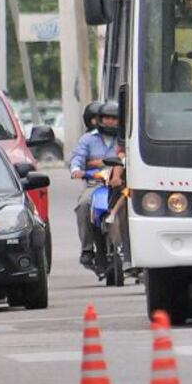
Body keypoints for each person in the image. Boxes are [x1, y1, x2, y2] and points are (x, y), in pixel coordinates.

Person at [70, 101, 121, 267]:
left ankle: (131, 250)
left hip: (120, 185)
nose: (110, 121)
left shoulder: (124, 139)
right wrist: (76, 169)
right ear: (99, 119)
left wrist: (96, 162)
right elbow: (78, 158)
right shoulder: (88, 139)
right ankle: (87, 249)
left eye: (114, 118)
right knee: (83, 205)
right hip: (95, 184)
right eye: (106, 118)